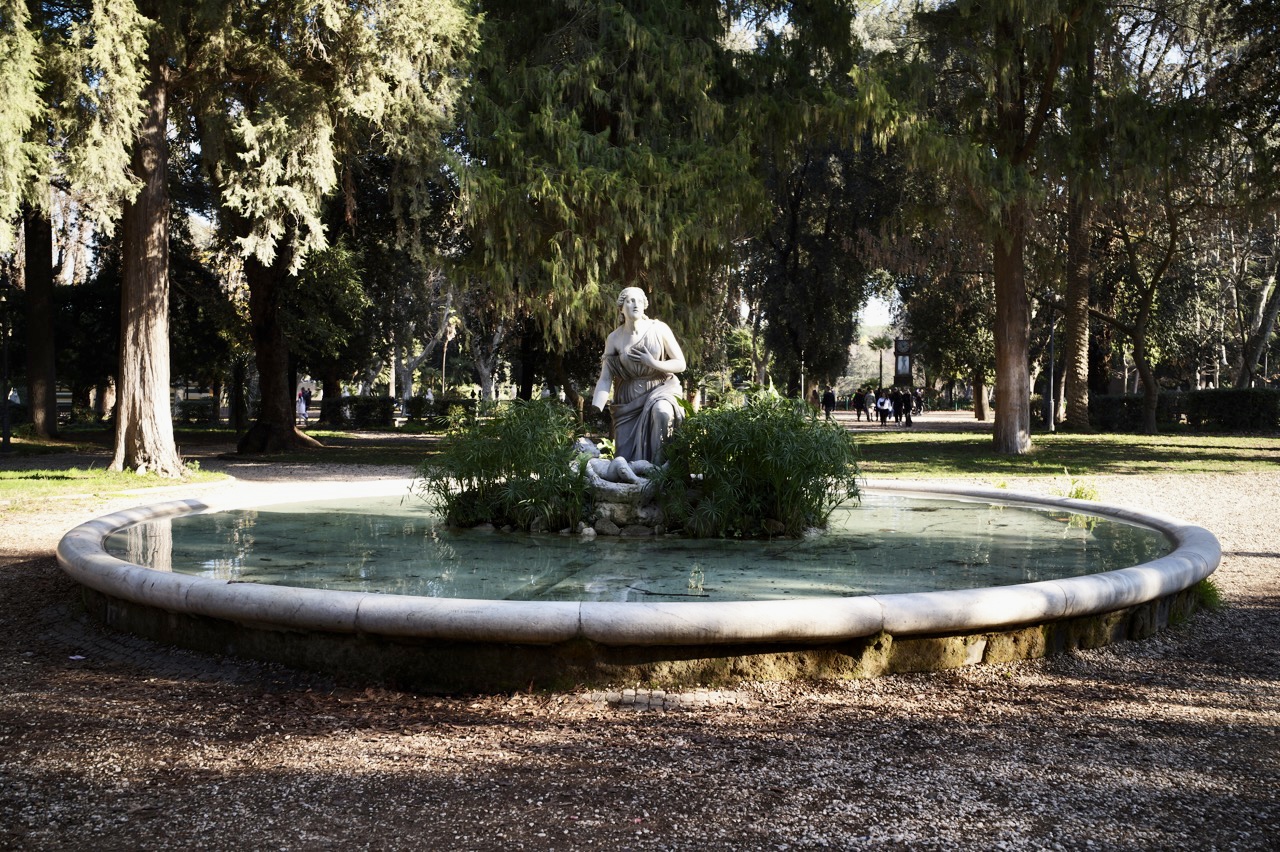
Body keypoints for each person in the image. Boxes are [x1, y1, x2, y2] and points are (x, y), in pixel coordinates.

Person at [591, 287, 687, 464]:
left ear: (644, 306)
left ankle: (658, 472)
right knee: (624, 459)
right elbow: (606, 377)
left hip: (660, 388)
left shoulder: (659, 329)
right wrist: (596, 405)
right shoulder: (614, 338)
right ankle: (632, 481)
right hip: (628, 398)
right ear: (621, 308)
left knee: (662, 412)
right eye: (630, 301)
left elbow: (680, 364)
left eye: (639, 301)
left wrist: (653, 363)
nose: (635, 304)